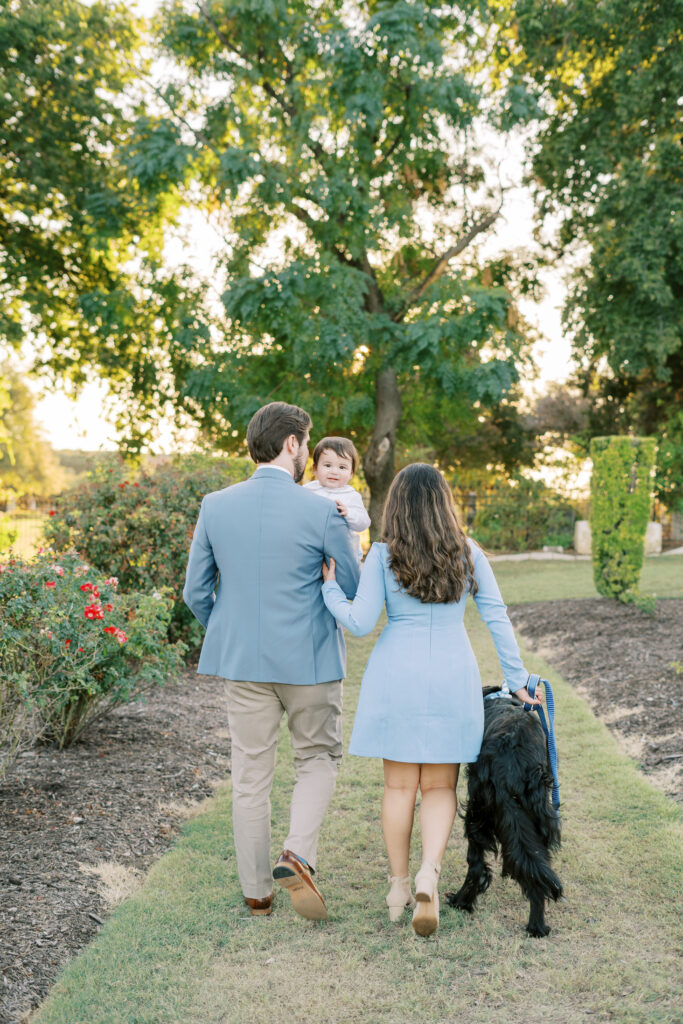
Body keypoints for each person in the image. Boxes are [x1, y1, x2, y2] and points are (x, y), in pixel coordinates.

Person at [321, 463, 540, 936]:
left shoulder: (381, 554)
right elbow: (497, 617)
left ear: (396, 505)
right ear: (444, 503)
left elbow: (358, 623)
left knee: (399, 788)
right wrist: (517, 678)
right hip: (450, 672)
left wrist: (329, 589)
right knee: (440, 788)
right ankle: (430, 875)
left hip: (395, 672)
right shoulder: (467, 552)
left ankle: (399, 884)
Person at [183, 401, 360, 921]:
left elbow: (197, 592)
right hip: (310, 661)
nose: (309, 453)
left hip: (243, 665)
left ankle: (257, 891)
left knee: (250, 776)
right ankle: (297, 854)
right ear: (292, 444)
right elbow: (349, 583)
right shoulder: (323, 511)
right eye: (307, 444)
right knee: (318, 758)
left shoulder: (215, 505)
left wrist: (230, 630)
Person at [304, 437, 371, 562]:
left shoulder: (351, 495)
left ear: (351, 473)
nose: (334, 471)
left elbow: (364, 523)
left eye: (342, 467)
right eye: (328, 465)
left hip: (343, 554)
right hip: (312, 552)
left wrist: (348, 513)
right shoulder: (308, 491)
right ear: (315, 469)